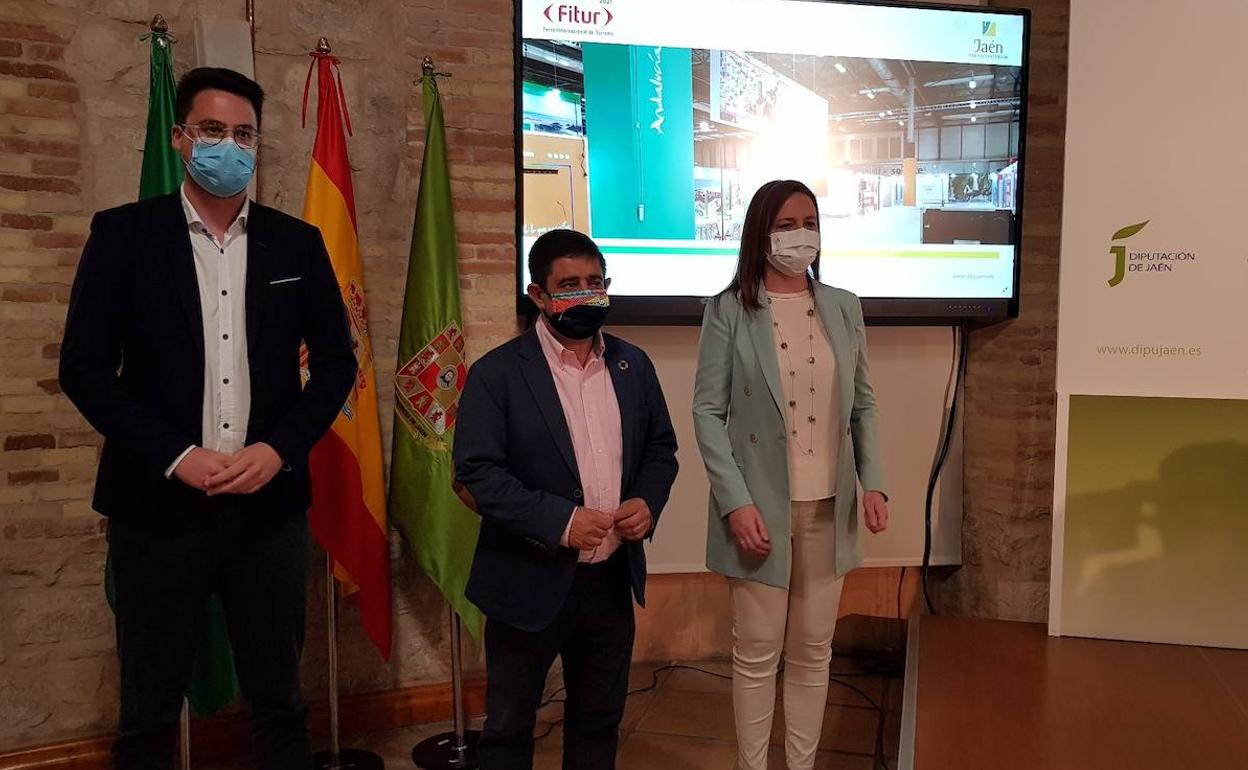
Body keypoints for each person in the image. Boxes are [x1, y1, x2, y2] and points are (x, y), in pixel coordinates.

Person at [58, 67, 357, 770]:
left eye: (244, 133)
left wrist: (279, 450)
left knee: (281, 700)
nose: (230, 145)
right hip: (157, 507)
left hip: (268, 510)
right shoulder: (124, 235)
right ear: (181, 137)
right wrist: (176, 456)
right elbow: (85, 370)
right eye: (213, 130)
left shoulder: (297, 243)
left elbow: (338, 367)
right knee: (149, 708)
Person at [453, 229, 679, 770]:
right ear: (538, 295)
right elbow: (476, 474)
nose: (586, 294)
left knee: (599, 720)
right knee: (509, 729)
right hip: (525, 580)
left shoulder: (633, 364)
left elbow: (661, 449)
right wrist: (561, 521)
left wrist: (648, 501)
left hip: (608, 582)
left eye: (595, 283)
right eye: (570, 285)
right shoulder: (498, 374)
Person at [692, 179, 890, 770]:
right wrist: (735, 502)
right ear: (761, 233)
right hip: (760, 512)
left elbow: (864, 403)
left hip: (831, 506)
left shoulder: (843, 305)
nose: (800, 234)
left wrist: (873, 481)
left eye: (809, 221)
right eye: (785, 224)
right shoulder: (729, 310)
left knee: (812, 652)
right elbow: (707, 410)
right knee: (756, 653)